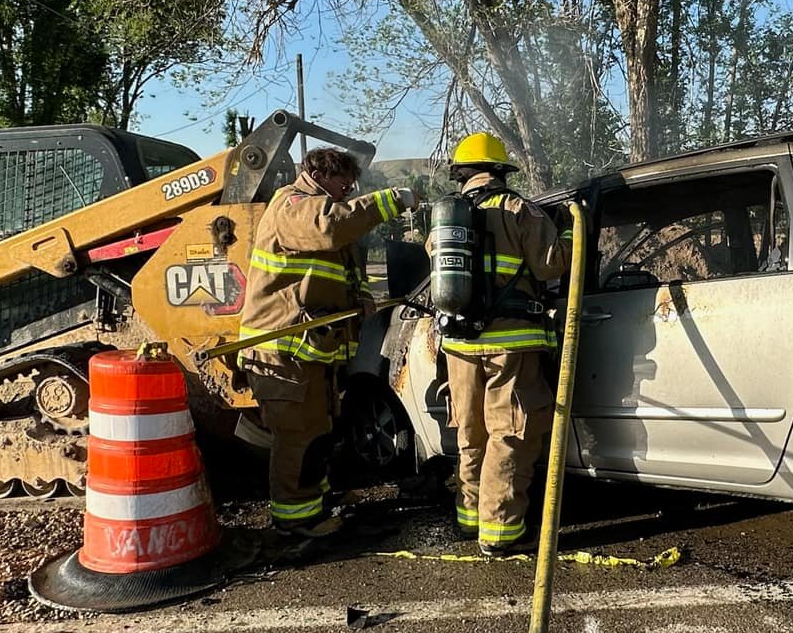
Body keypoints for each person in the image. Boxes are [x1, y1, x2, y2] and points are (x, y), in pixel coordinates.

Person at [239, 146, 414, 545]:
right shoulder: (294, 205)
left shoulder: (321, 209)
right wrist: (390, 200)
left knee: (316, 432)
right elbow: (328, 228)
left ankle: (312, 506)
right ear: (319, 174)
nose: (347, 192)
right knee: (297, 436)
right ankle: (293, 522)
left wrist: (361, 296)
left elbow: (342, 267)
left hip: (307, 355)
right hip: (281, 353)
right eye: (343, 183)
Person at [428, 132, 569, 555]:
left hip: (458, 343)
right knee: (509, 433)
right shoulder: (518, 209)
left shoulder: (444, 221)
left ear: (462, 175)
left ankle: (469, 518)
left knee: (470, 433)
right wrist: (566, 234)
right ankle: (500, 531)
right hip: (510, 343)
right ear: (501, 171)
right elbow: (550, 268)